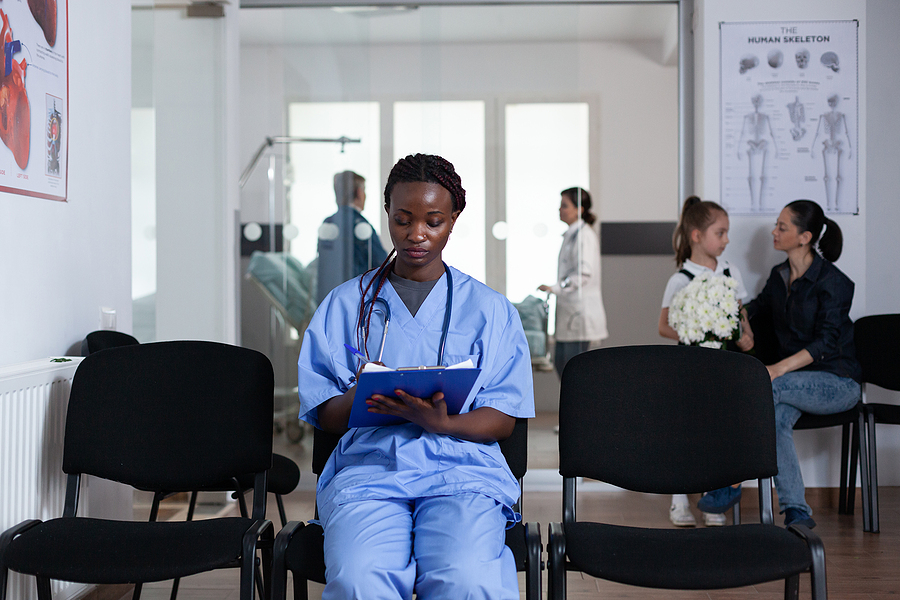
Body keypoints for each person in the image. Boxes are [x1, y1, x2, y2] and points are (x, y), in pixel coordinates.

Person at [297, 154, 535, 599]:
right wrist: (367, 393)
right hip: (369, 471)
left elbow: (503, 417)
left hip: (461, 471)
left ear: (454, 219)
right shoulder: (346, 305)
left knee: (465, 578)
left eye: (434, 221)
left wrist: (444, 424)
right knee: (359, 578)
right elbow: (324, 413)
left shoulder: (490, 309)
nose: (417, 234)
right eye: (403, 219)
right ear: (386, 212)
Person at [741, 199, 860, 529]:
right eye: (775, 225)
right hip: (796, 384)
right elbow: (756, 306)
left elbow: (825, 344)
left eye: (782, 227)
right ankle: (797, 512)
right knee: (775, 419)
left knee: (769, 386)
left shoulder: (834, 283)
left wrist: (777, 368)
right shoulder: (779, 275)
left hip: (838, 382)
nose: (773, 232)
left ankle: (730, 482)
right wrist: (739, 318)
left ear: (805, 237)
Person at [658, 196, 752, 527]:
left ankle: (713, 502)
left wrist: (744, 335)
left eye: (727, 234)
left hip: (726, 368)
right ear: (697, 235)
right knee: (688, 431)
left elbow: (740, 314)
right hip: (691, 368)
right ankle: (679, 499)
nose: (726, 241)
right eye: (721, 233)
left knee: (720, 433)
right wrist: (698, 333)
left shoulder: (731, 272)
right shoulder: (680, 279)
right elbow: (663, 326)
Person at [538, 187, 608, 380]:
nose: (560, 210)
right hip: (570, 314)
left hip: (579, 315)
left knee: (573, 370)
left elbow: (583, 274)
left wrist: (556, 288)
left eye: (564, 206)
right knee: (562, 364)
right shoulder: (573, 234)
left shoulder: (584, 236)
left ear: (579, 209)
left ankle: (582, 409)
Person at [316, 170, 389, 303]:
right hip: (356, 301)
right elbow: (384, 265)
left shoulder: (328, 223)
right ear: (359, 193)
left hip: (328, 300)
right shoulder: (360, 226)